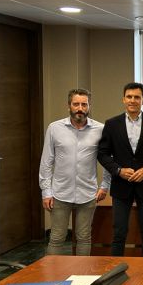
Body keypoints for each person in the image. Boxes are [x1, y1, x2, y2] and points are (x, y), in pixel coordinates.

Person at [98, 82, 143, 258]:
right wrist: (118, 170)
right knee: (119, 233)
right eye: (129, 97)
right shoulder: (112, 124)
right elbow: (103, 154)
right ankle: (114, 274)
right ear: (123, 99)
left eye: (137, 97)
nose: (133, 100)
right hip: (121, 185)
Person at [39, 89, 111, 256]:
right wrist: (46, 192)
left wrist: (105, 185)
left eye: (84, 104)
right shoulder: (54, 128)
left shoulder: (100, 129)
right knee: (57, 238)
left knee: (84, 237)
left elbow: (108, 160)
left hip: (88, 193)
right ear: (69, 106)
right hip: (60, 193)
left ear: (89, 106)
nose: (80, 108)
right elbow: (46, 162)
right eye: (76, 104)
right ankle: (52, 278)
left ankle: (81, 278)